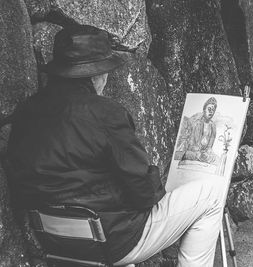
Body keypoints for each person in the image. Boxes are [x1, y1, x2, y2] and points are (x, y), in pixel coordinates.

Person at [6, 25, 226, 267]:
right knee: (213, 193)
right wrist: (159, 185)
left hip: (54, 241)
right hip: (112, 242)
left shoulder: (26, 111)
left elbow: (23, 186)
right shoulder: (106, 114)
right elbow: (143, 193)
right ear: (96, 75)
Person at [181, 97, 218, 164]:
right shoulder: (196, 123)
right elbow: (191, 143)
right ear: (204, 110)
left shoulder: (213, 126)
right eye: (209, 109)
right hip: (194, 151)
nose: (211, 112)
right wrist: (197, 150)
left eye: (213, 110)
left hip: (204, 152)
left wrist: (208, 150)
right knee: (189, 154)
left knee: (215, 159)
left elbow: (210, 145)